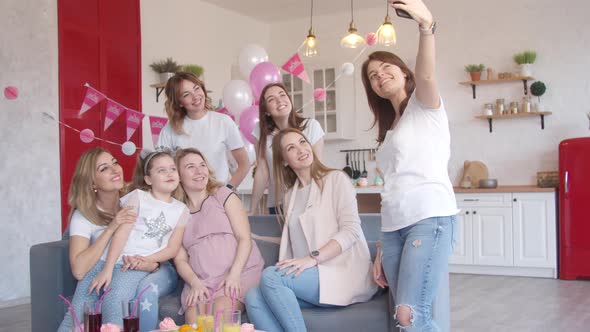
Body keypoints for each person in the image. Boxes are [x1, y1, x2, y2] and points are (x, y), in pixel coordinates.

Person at [360, 1, 458, 330]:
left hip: (429, 217)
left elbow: (427, 72)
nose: (379, 76)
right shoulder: (391, 130)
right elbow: (393, 187)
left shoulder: (424, 106)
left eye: (386, 67)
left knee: (409, 313)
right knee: (404, 316)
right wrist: (380, 248)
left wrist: (426, 26)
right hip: (393, 229)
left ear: (404, 71)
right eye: (373, 76)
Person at [245, 128, 377, 332]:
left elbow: (351, 231)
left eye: (302, 142)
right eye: (291, 147)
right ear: (285, 160)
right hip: (312, 276)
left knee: (271, 276)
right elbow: (294, 240)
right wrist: (257, 237)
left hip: (342, 273)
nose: (301, 149)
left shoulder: (336, 179)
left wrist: (313, 258)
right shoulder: (290, 196)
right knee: (253, 296)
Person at [57, 148, 179, 332]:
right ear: (92, 182)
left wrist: (151, 264)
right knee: (81, 306)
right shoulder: (83, 216)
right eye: (104, 168)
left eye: (115, 162)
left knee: (113, 298)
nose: (115, 170)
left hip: (141, 265)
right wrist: (112, 227)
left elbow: (161, 236)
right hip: (107, 267)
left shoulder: (138, 197)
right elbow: (80, 270)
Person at [89, 149, 189, 329]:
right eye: (161, 170)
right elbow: (122, 233)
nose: (169, 174)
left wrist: (145, 260)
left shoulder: (181, 209)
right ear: (148, 179)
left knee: (137, 294)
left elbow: (172, 248)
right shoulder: (138, 197)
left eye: (172, 169)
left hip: (156, 266)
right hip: (126, 263)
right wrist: (108, 268)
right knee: (114, 296)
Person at [173, 148, 264, 325]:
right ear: (179, 175)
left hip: (240, 272)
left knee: (220, 315)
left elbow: (244, 239)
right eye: (191, 167)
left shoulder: (223, 195)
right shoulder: (177, 212)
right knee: (194, 322)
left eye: (202, 165)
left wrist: (234, 275)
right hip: (202, 280)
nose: (199, 171)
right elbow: (180, 260)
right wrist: (194, 282)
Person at [157, 72, 250, 189]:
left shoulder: (223, 122)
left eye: (196, 88)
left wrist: (226, 192)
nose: (195, 96)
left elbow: (244, 164)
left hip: (218, 197)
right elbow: (161, 168)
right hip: (184, 199)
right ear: (179, 102)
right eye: (186, 94)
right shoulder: (170, 129)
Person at [249, 83, 325, 215]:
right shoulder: (261, 131)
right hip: (278, 204)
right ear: (266, 110)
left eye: (282, 95)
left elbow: (315, 167)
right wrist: (252, 208)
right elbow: (262, 169)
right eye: (271, 99)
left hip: (308, 202)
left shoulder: (311, 126)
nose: (279, 100)